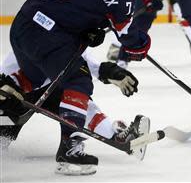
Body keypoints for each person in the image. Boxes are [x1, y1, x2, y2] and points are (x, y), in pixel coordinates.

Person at [1, 0, 152, 175]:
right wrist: (143, 45)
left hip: (25, 21)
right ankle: (70, 152)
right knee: (78, 82)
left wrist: (79, 15)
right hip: (49, 37)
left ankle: (9, 87)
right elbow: (131, 42)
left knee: (41, 79)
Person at [0, 50, 141, 152]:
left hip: (49, 88)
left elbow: (83, 59)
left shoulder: (67, 33)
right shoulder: (34, 35)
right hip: (16, 92)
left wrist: (110, 71)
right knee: (2, 140)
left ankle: (117, 135)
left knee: (78, 100)